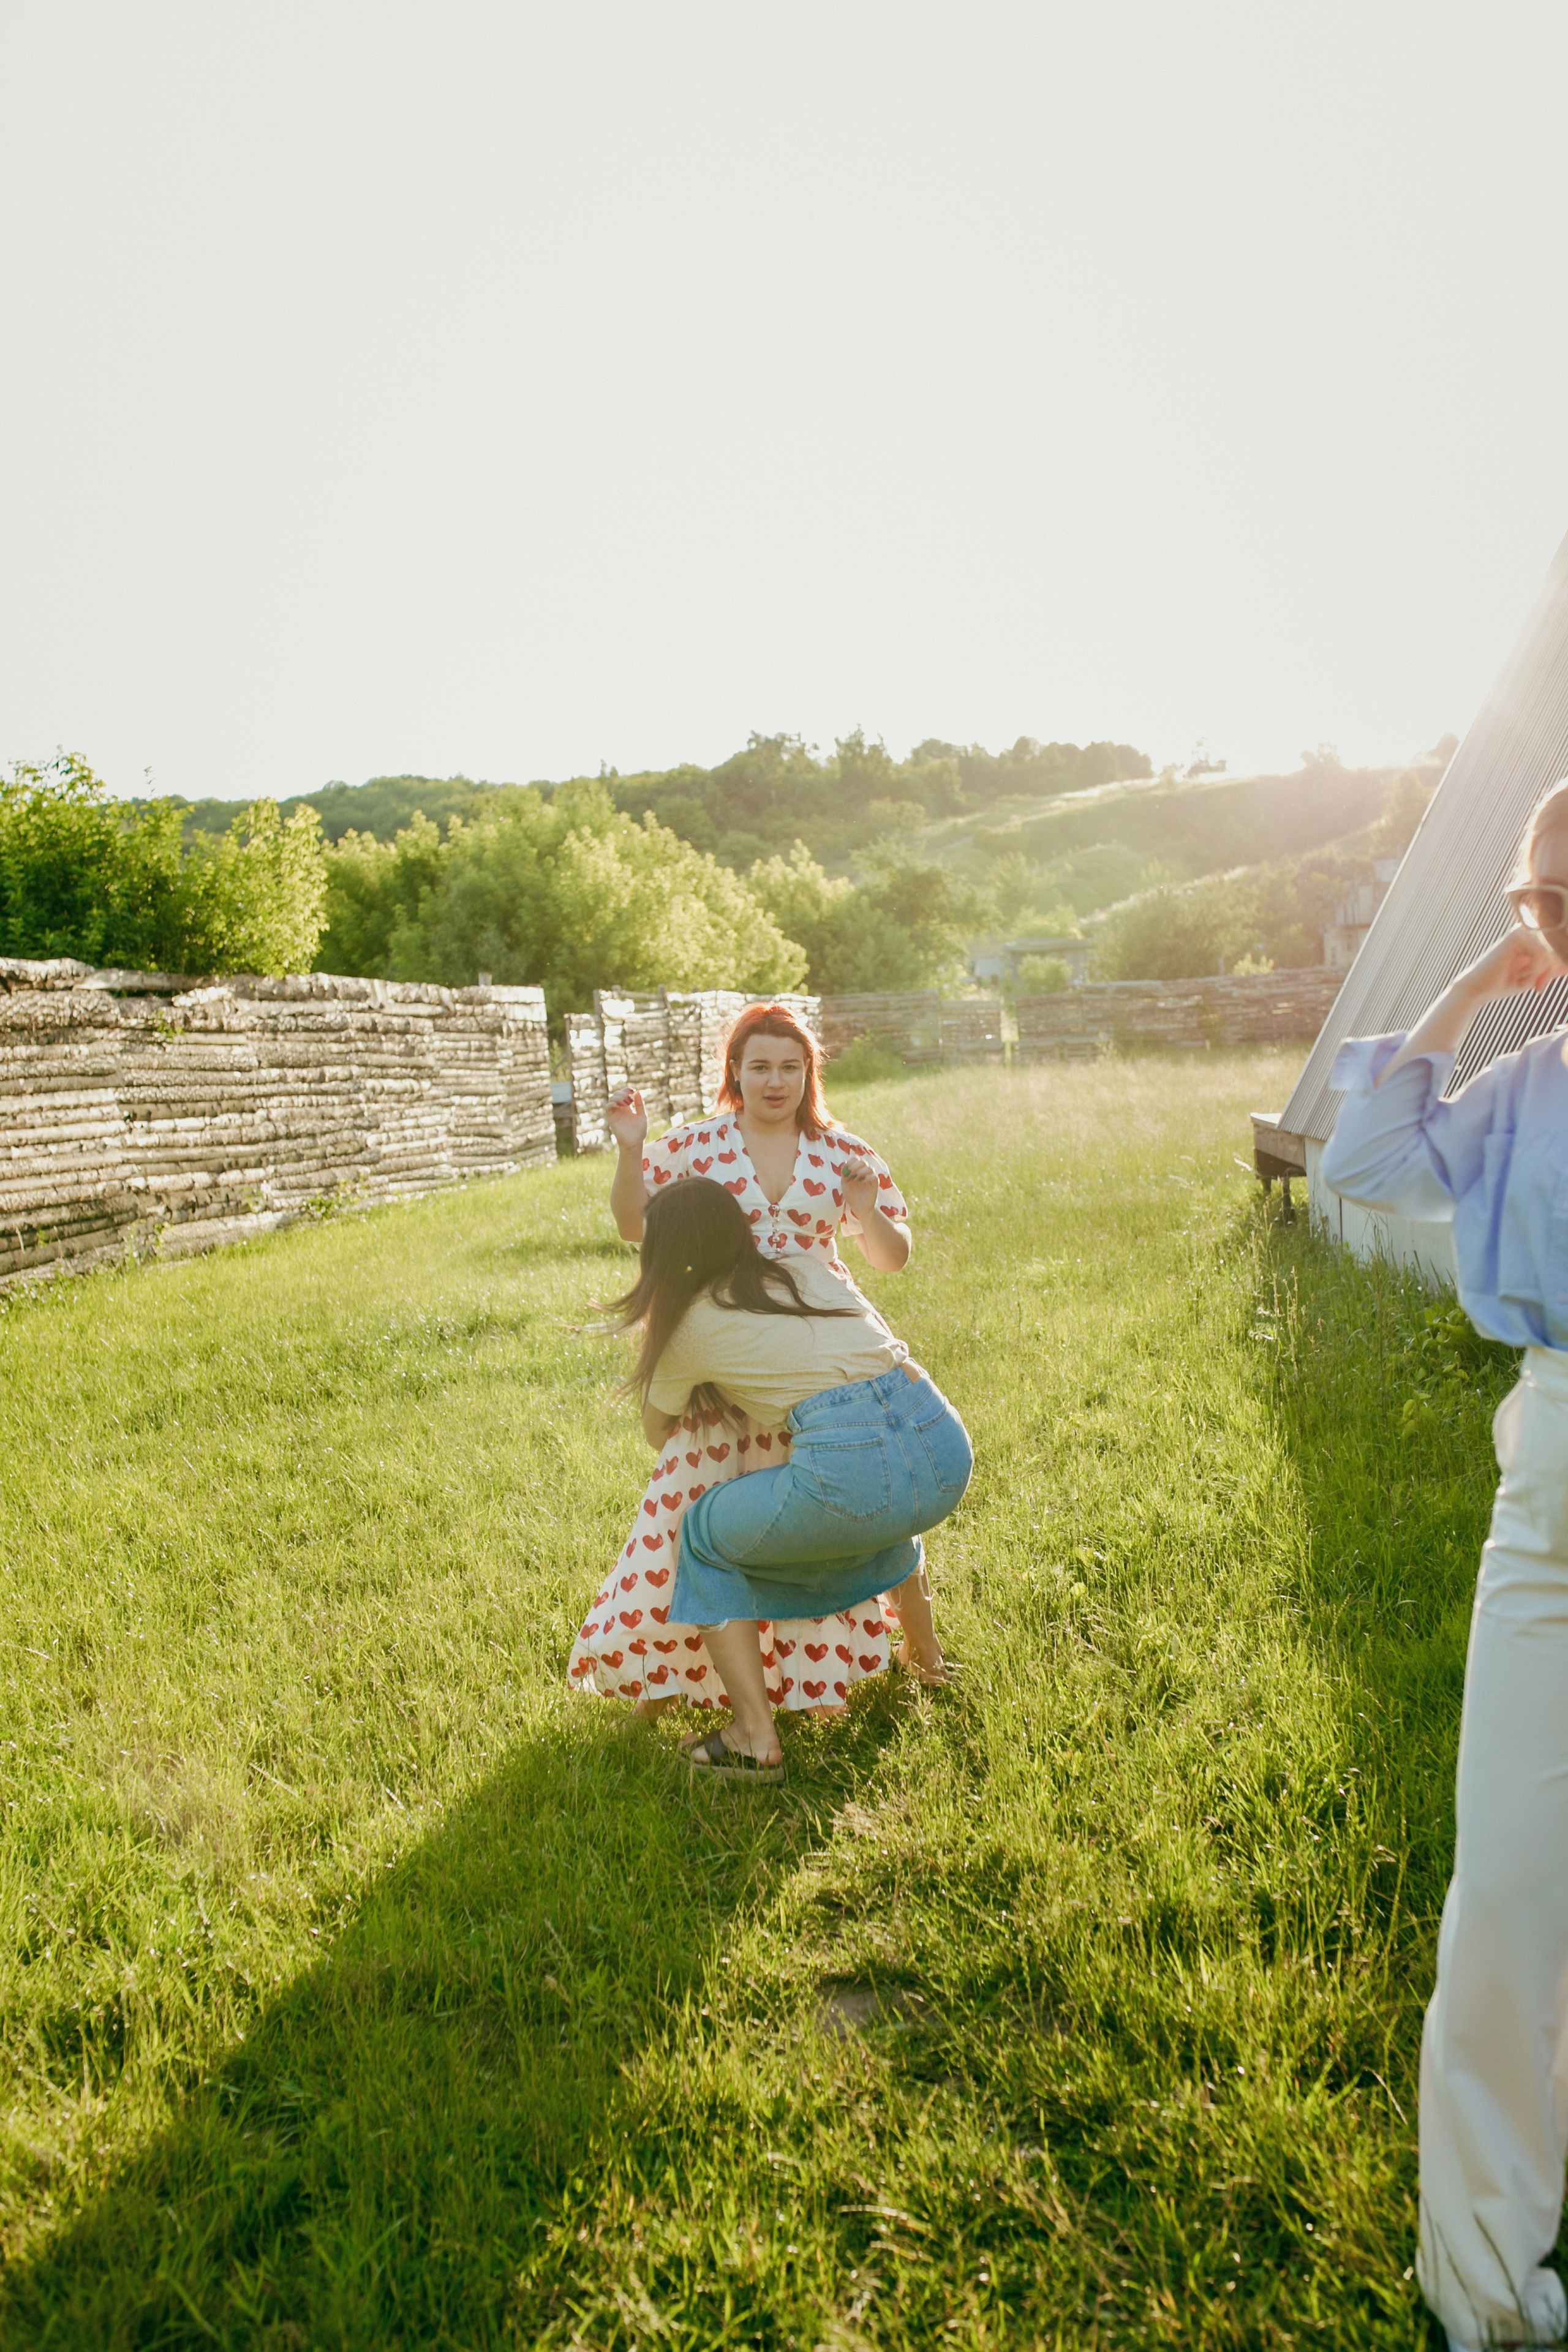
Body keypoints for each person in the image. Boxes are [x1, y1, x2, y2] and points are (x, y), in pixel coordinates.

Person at [1321, 776, 1568, 2352]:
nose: (1559, 916)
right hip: (1550, 1474)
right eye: (1551, 896)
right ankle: (1482, 2293)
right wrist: (1487, 975)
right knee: (1510, 1882)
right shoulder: (1526, 1083)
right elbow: (1361, 1152)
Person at [569, 1002, 951, 1714]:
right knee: (696, 1502)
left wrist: (865, 1212)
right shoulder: (700, 1145)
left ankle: (916, 1651)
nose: (775, 1081)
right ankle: (677, 1677)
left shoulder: (843, 1151)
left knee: (854, 1495)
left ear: (810, 1073)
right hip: (727, 1348)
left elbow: (891, 1259)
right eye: (760, 1067)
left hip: (817, 1338)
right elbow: (633, 1224)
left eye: (790, 1067)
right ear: (735, 1074)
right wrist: (629, 1149)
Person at [591, 1174, 972, 1779]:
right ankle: (926, 1657)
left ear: (663, 1253)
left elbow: (658, 1429)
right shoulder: (801, 1266)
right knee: (888, 1501)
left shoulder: (689, 1324)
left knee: (704, 1536)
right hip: (941, 1443)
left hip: (852, 1466)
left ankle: (752, 1733)